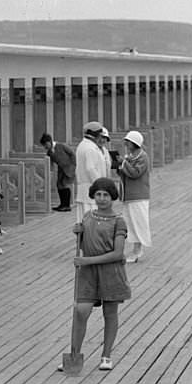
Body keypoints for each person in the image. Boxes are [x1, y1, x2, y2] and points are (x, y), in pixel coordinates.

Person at [67, 177, 131, 371]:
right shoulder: (88, 216)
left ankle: (106, 356)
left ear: (112, 198)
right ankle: (74, 355)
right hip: (88, 274)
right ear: (93, 195)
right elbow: (84, 242)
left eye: (106, 195)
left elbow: (118, 253)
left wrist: (87, 261)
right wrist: (77, 232)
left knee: (109, 313)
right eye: (98, 194)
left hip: (111, 273)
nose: (102, 199)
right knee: (81, 311)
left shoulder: (118, 221)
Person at [117, 130, 151, 263]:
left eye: (128, 142)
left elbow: (135, 173)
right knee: (130, 223)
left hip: (138, 196)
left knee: (139, 222)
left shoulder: (143, 157)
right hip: (128, 195)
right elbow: (125, 173)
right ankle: (135, 249)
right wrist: (120, 166)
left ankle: (138, 250)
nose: (126, 144)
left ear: (135, 143)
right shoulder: (130, 156)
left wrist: (124, 163)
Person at [74, 122, 107, 223]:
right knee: (92, 223)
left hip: (86, 191)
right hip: (92, 191)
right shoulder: (90, 148)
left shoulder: (84, 145)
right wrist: (101, 185)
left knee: (84, 222)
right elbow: (91, 169)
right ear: (95, 135)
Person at [39, 133, 76, 212]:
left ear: (50, 141)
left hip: (68, 167)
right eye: (44, 145)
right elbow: (50, 163)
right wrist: (50, 171)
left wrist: (73, 165)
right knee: (59, 185)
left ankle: (67, 205)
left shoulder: (61, 146)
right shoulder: (49, 152)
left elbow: (72, 154)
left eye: (46, 144)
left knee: (64, 185)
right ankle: (62, 204)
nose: (45, 147)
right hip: (61, 169)